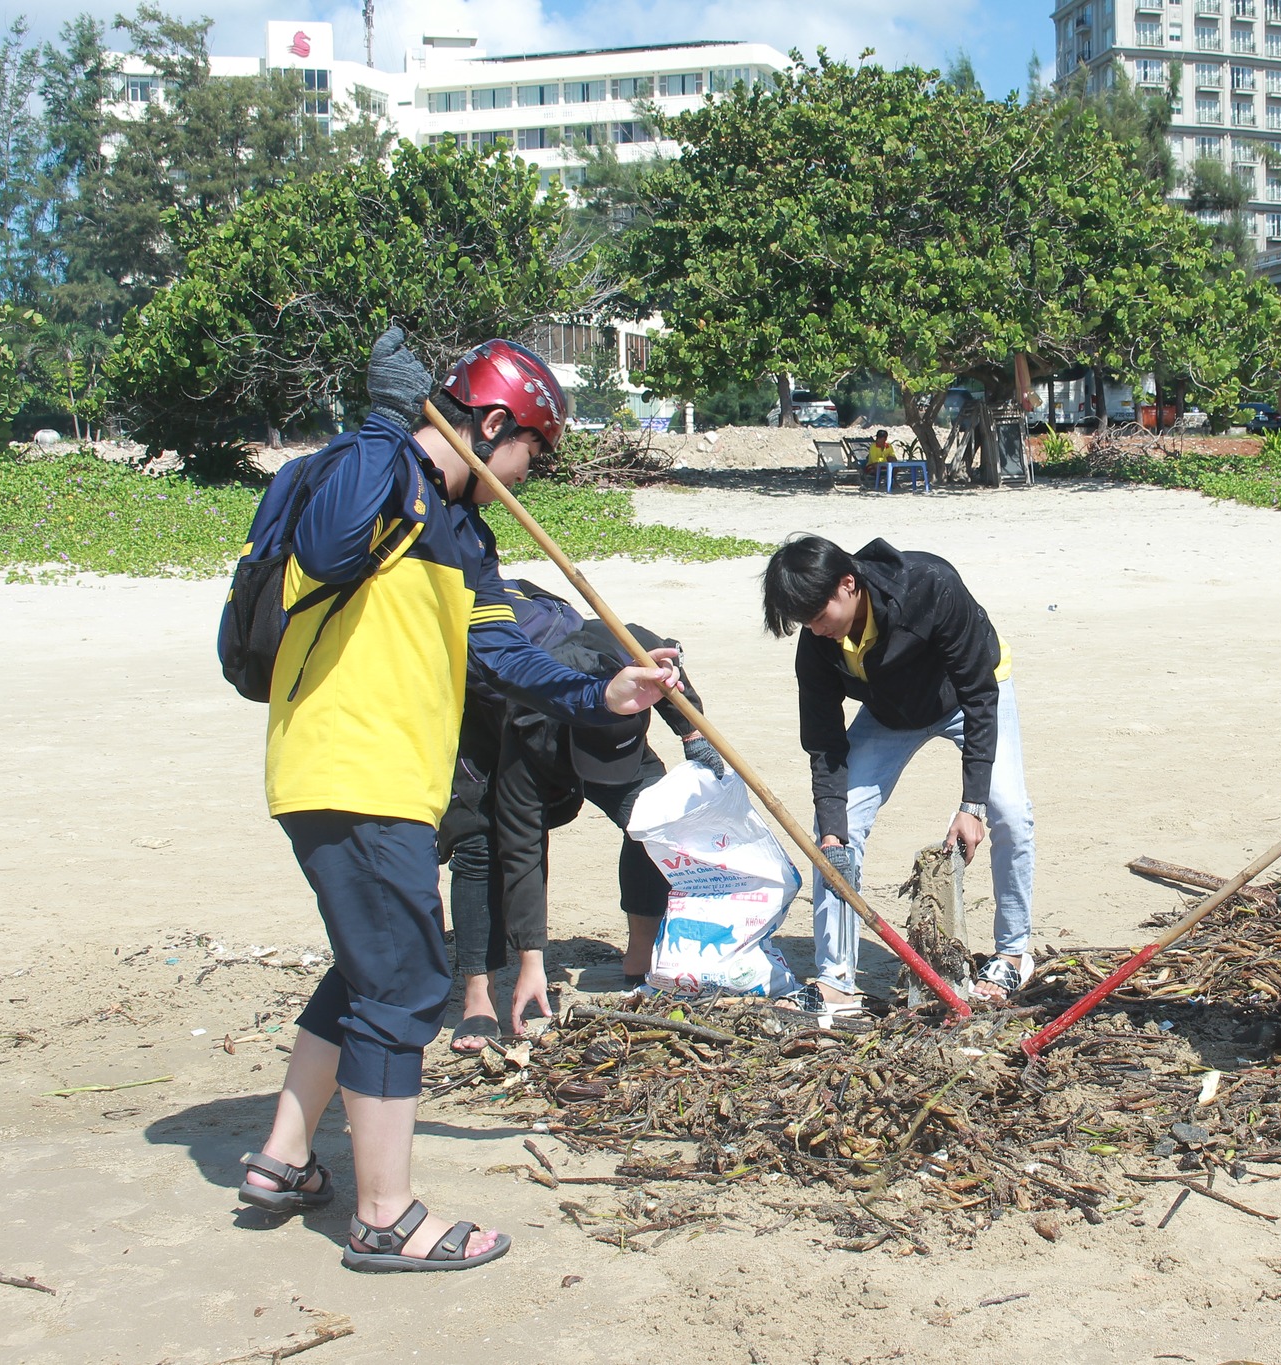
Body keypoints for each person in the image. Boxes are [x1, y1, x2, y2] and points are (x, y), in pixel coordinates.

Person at [236, 329, 683, 1273]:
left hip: (396, 777)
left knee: (367, 968)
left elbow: (503, 651)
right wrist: (382, 418)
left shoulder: (463, 534)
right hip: (345, 769)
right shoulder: (368, 473)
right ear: (490, 425)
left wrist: (598, 690)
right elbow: (324, 545)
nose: (536, 473)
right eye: (534, 451)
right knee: (406, 985)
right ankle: (385, 1216)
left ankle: (282, 1159)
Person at [762, 535, 1036, 1016]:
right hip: (890, 712)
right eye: (805, 622)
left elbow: (979, 694)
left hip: (969, 697)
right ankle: (836, 982)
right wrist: (830, 829)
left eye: (819, 616)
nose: (815, 629)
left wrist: (971, 806)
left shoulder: (930, 585)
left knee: (1008, 811)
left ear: (848, 584)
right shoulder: (817, 642)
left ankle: (1012, 954)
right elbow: (824, 741)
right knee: (837, 838)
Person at [442, 594, 728, 1051]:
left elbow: (667, 663)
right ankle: (479, 994)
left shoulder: (627, 650)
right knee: (481, 844)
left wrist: (691, 733)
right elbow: (524, 853)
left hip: (604, 718)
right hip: (492, 714)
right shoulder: (528, 743)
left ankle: (642, 954)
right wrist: (532, 962)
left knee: (651, 818)